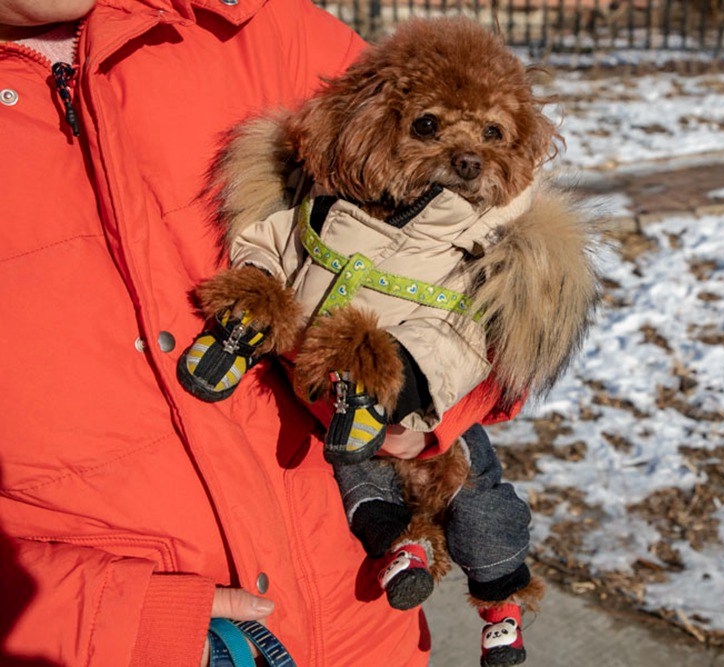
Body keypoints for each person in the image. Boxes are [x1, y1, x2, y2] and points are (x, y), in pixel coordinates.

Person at [0, 0, 467, 664]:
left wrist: (430, 382)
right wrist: (97, 617)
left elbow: (488, 231)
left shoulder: (249, 25)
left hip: (360, 622)